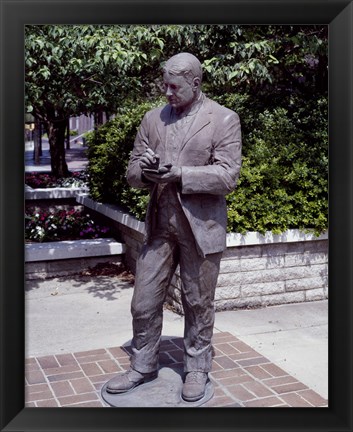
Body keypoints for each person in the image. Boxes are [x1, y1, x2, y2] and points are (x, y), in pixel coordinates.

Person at [106, 52, 242, 402]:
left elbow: (228, 176)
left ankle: (197, 369)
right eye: (164, 85)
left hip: (201, 229)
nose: (167, 92)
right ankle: (143, 364)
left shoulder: (223, 119)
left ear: (195, 84)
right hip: (160, 228)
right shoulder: (152, 119)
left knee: (198, 303)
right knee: (143, 303)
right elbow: (133, 172)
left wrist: (182, 174)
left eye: (174, 86)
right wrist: (146, 172)